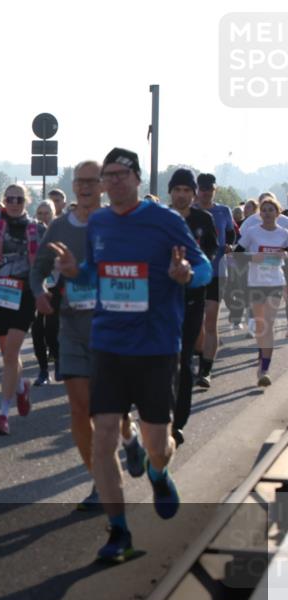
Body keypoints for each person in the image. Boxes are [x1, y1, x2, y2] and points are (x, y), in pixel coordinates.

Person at [53, 148, 212, 563]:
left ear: (138, 179)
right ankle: (119, 532)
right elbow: (95, 271)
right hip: (109, 345)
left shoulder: (166, 221)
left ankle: (158, 471)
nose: (113, 182)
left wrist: (185, 275)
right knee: (103, 435)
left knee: (158, 443)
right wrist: (76, 272)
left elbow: (204, 269)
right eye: (107, 176)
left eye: (121, 174)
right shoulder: (100, 222)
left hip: (157, 347)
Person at [31, 161, 146, 512]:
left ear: (104, 185)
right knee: (81, 409)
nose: (84, 187)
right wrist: (39, 293)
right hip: (72, 328)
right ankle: (100, 481)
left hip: (111, 329)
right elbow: (37, 271)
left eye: (91, 181)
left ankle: (130, 437)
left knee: (109, 409)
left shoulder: (118, 224)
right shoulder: (60, 226)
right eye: (78, 181)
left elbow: (136, 272)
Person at [169, 170, 218, 445]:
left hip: (193, 297)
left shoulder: (203, 219)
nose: (182, 195)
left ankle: (178, 420)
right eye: (177, 189)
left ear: (194, 193)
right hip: (163, 299)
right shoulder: (161, 219)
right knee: (165, 358)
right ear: (170, 192)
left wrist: (194, 271)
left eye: (187, 190)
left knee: (185, 357)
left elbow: (211, 252)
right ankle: (161, 412)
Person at [0, 185, 39, 436]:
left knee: (10, 355)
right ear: (4, 200)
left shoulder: (36, 227)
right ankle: (20, 387)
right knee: (8, 355)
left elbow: (46, 260)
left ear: (26, 201)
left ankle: (2, 414)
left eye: (19, 199)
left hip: (25, 296)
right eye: (10, 198)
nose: (14, 202)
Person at [234, 196, 288, 386]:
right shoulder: (252, 232)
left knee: (268, 325)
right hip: (256, 283)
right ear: (260, 213)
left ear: (277, 212)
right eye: (263, 210)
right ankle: (262, 352)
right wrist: (252, 258)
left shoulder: (284, 234)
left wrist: (285, 254)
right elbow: (236, 255)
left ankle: (264, 369)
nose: (266, 213)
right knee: (260, 326)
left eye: (270, 210)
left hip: (275, 283)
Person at [191, 173, 234, 388]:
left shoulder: (223, 211)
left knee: (210, 320)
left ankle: (206, 371)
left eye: (209, 189)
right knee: (194, 322)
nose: (206, 192)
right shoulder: (189, 211)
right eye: (202, 188)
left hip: (217, 272)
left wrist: (229, 246)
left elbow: (231, 234)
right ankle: (198, 354)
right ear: (197, 189)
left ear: (214, 190)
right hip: (192, 274)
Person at [30, 199, 60, 385]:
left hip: (57, 286)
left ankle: (58, 361)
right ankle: (42, 371)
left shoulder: (60, 232)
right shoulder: (32, 234)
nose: (43, 217)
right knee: (37, 330)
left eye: (46, 213)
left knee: (51, 329)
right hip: (37, 286)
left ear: (53, 214)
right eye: (39, 213)